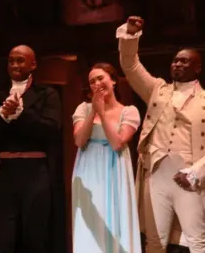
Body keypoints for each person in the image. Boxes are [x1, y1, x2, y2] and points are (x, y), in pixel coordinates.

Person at [117, 16, 205, 253]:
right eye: (175, 61)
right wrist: (131, 36)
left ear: (197, 68)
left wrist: (196, 172)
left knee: (197, 240)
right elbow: (131, 65)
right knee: (154, 241)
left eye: (184, 61)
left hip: (189, 176)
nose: (177, 64)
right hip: (156, 173)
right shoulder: (158, 90)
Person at [0, 45, 62, 252]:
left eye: (20, 60)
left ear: (33, 64)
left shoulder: (47, 94)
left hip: (35, 171)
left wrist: (22, 114)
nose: (14, 65)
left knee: (34, 236)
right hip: (4, 173)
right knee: (3, 238)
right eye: (11, 61)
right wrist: (3, 116)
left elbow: (51, 129)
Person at [71, 63, 142, 253]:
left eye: (101, 78)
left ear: (113, 81)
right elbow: (79, 140)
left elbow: (117, 143)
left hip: (113, 167)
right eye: (92, 81)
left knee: (114, 219)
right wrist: (94, 110)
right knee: (88, 222)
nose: (97, 83)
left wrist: (102, 113)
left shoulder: (129, 111)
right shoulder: (83, 109)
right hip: (87, 167)